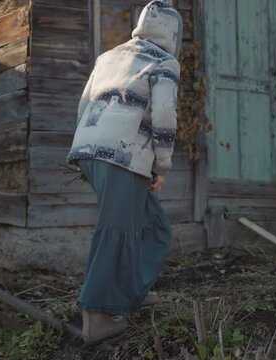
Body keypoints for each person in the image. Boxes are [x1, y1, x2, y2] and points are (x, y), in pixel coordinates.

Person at [66, 0, 183, 344]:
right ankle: (97, 315)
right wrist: (160, 166)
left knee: (153, 226)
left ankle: (132, 292)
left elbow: (84, 105)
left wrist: (87, 150)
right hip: (122, 155)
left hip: (90, 151)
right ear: (173, 33)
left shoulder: (109, 57)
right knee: (115, 229)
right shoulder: (165, 62)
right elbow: (164, 117)